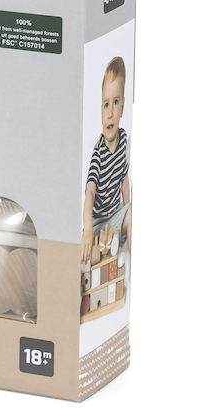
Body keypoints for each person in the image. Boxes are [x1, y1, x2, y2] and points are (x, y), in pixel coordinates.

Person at [81, 56, 131, 265]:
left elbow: (125, 181)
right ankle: (101, 249)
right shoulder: (98, 154)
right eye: (106, 105)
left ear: (122, 107)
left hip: (116, 215)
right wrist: (88, 230)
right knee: (87, 258)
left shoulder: (124, 140)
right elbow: (90, 192)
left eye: (115, 103)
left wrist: (127, 210)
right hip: (98, 223)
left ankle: (130, 261)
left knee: (133, 214)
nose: (110, 113)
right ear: (101, 109)